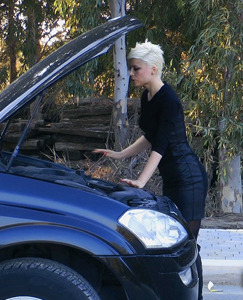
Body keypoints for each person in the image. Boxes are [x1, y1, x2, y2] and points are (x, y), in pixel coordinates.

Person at [93, 41, 208, 299]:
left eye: (136, 69)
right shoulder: (147, 96)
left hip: (188, 178)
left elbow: (162, 144)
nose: (131, 74)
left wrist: (142, 180)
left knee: (187, 246)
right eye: (130, 69)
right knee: (177, 244)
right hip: (173, 177)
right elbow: (150, 136)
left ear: (153, 69)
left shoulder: (169, 98)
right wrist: (120, 154)